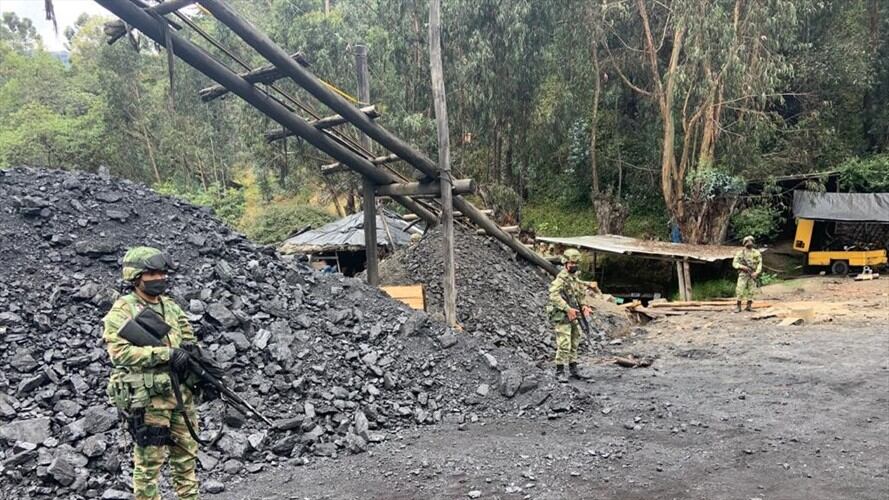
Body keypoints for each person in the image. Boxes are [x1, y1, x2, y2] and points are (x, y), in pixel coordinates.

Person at [102, 247, 200, 500]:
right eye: (152, 273)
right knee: (148, 468)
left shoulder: (171, 307)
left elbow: (189, 339)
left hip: (181, 395)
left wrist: (194, 362)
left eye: (162, 273)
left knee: (187, 461)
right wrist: (164, 355)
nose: (160, 278)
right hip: (150, 401)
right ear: (136, 276)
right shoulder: (123, 310)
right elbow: (120, 354)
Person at [546, 248, 593, 382]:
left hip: (573, 314)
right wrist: (567, 308)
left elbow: (580, 294)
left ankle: (573, 369)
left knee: (575, 340)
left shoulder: (574, 278)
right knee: (564, 343)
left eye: (576, 263)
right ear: (566, 263)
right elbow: (553, 295)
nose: (574, 265)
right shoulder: (561, 278)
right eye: (572, 263)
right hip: (562, 315)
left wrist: (584, 306)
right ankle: (559, 371)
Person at [732, 236, 762, 312]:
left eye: (751, 241)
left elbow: (759, 264)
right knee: (740, 290)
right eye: (747, 241)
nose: (749, 243)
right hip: (743, 274)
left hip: (752, 274)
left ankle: (749, 306)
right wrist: (742, 267)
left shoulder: (756, 253)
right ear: (744, 243)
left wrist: (756, 272)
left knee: (752, 290)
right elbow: (734, 263)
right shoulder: (740, 253)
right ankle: (738, 307)